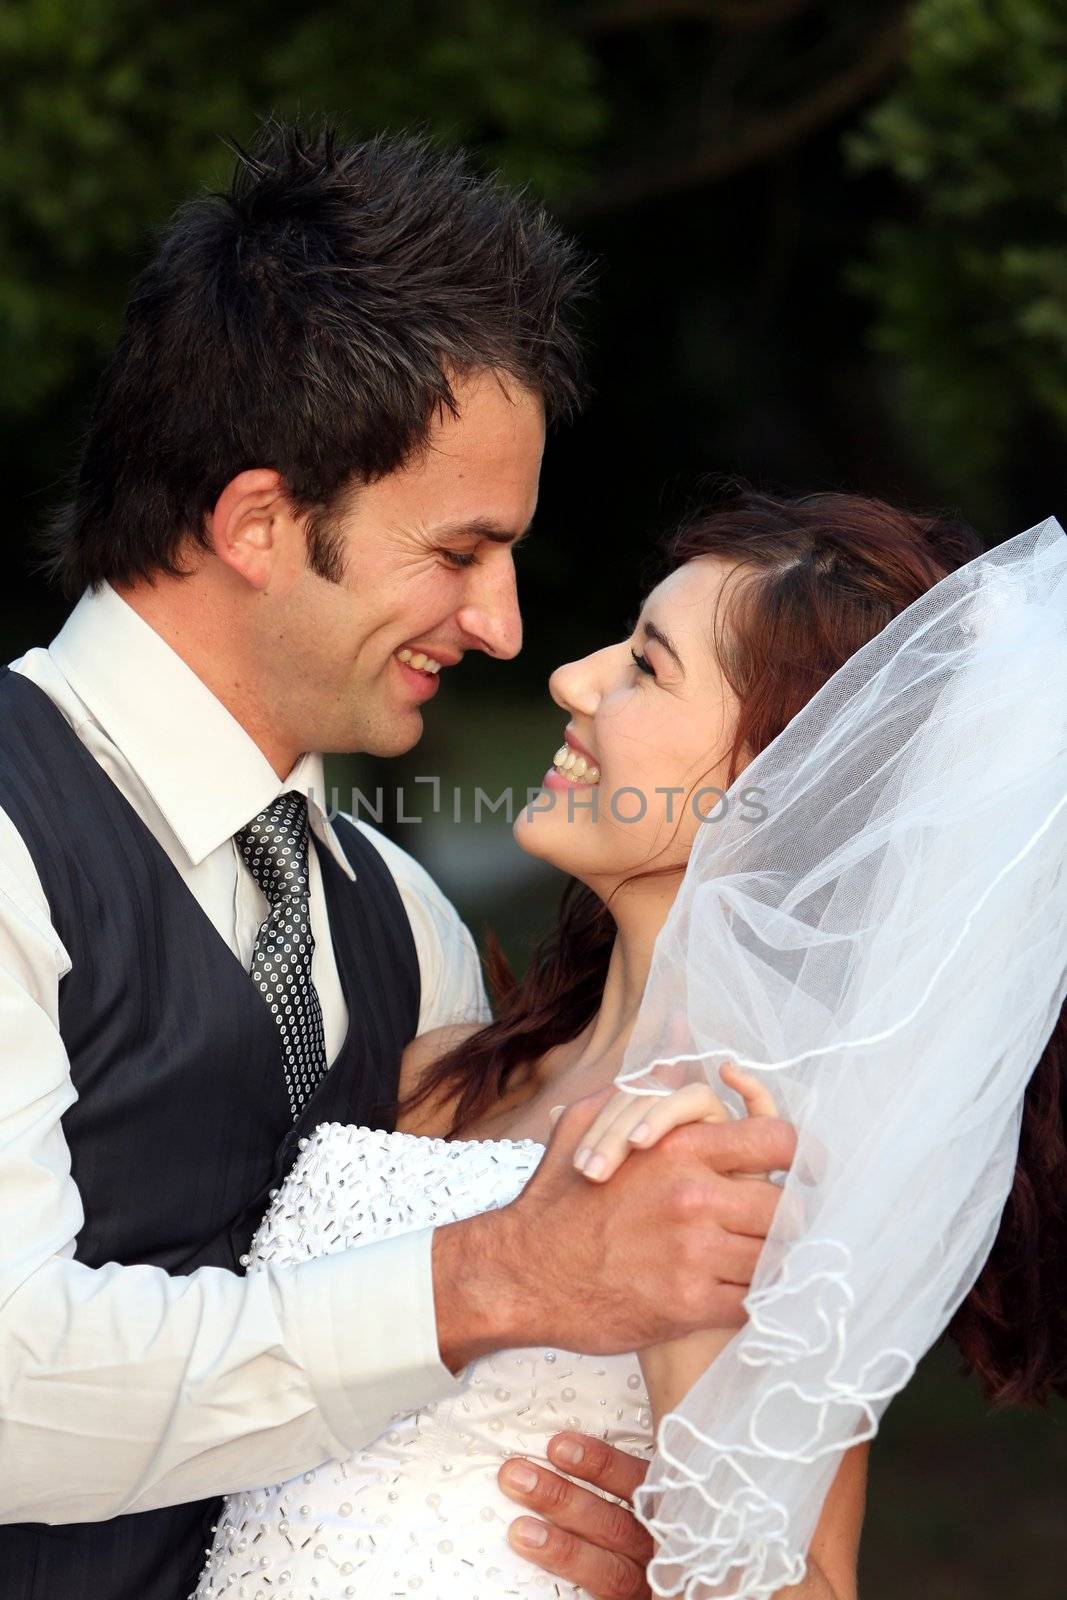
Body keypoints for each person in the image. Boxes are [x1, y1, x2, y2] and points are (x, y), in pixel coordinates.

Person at [0, 124, 795, 1600]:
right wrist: (499, 1276)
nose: (502, 627)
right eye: (457, 552)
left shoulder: (403, 921)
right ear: (256, 522)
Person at [195, 487, 1067, 1599]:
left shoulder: (750, 1158)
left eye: (646, 666)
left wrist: (679, 1520)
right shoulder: (442, 1071)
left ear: (771, 785)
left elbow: (797, 1578)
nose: (571, 677)